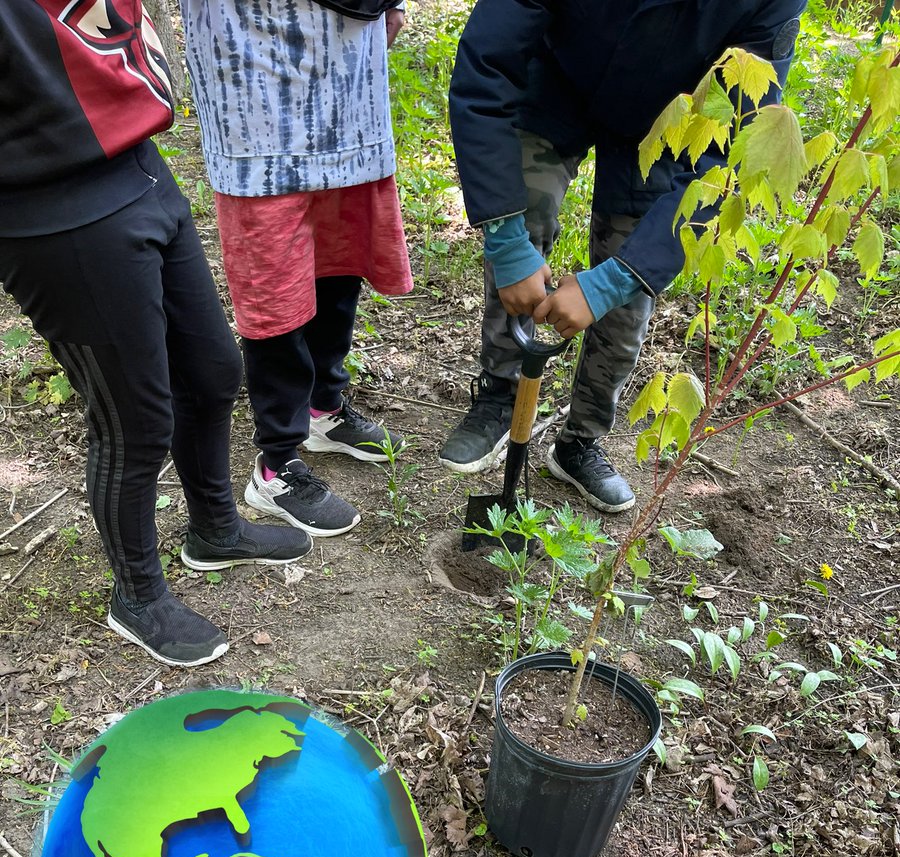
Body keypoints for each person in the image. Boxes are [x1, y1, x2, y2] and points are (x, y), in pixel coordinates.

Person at [0, 0, 312, 668]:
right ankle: (137, 596)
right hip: (53, 205)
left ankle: (215, 529)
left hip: (136, 159)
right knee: (133, 422)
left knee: (212, 371)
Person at [441, 0, 808, 513]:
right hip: (557, 79)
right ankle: (499, 396)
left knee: (630, 279)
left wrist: (612, 282)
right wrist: (505, 239)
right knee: (524, 213)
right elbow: (486, 64)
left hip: (668, 120)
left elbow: (730, 153)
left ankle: (580, 441)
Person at [179, 0, 413, 538]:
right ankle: (275, 464)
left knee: (341, 254)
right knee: (274, 286)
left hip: (351, 76)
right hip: (253, 77)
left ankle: (321, 410)